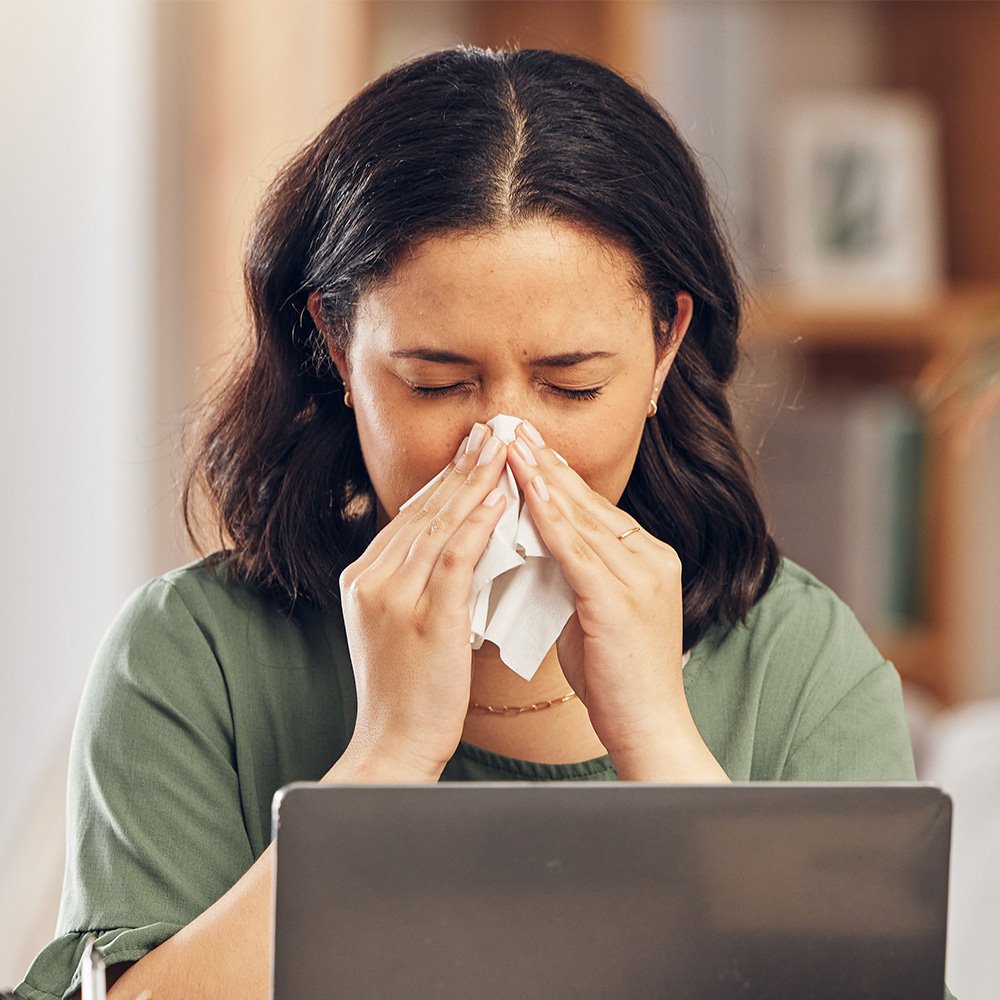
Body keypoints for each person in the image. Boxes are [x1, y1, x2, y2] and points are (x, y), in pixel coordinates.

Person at [15, 46, 918, 1000]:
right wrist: (386, 757)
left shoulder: (797, 658)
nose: (504, 443)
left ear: (663, 352)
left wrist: (658, 740)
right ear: (335, 347)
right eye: (435, 383)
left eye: (573, 383)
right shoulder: (192, 656)